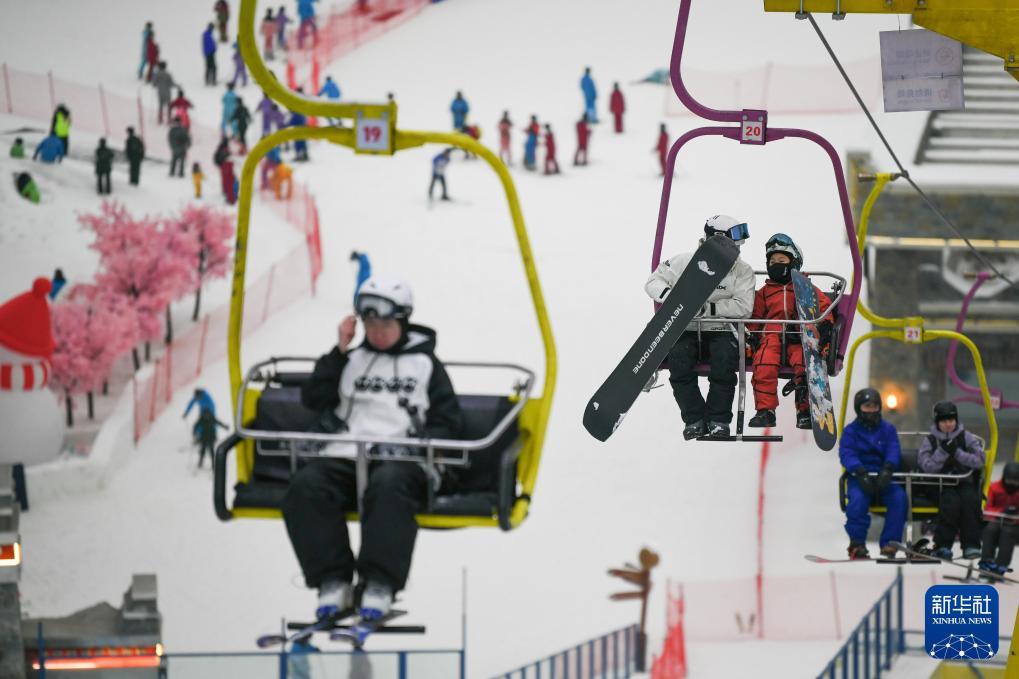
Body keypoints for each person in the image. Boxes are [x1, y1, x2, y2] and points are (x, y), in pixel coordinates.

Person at [282, 275, 463, 628]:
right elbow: (314, 399)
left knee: (389, 487)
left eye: (386, 324)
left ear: (403, 322)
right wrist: (339, 350)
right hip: (347, 452)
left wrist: (424, 443)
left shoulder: (425, 365)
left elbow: (448, 420)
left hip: (401, 457)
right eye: (370, 323)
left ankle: (380, 583)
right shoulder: (351, 360)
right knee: (306, 486)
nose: (378, 332)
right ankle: (332, 580)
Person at [645, 216, 755, 438]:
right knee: (679, 361)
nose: (738, 249)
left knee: (724, 362)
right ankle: (694, 418)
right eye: (734, 243)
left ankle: (718, 420)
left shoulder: (742, 271)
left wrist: (707, 309)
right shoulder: (685, 262)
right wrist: (670, 297)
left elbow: (744, 307)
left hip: (721, 329)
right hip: (686, 329)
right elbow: (653, 281)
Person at [747, 234, 832, 429]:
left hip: (798, 338)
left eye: (782, 260)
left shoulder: (805, 288)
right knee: (763, 364)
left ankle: (804, 411)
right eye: (772, 261)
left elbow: (823, 307)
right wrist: (750, 336)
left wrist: (824, 326)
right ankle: (765, 411)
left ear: (794, 262)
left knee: (805, 364)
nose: (776, 264)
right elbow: (755, 317)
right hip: (771, 337)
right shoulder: (764, 292)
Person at [839, 388, 906, 559]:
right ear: (859, 408)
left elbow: (893, 449)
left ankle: (890, 543)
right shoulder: (851, 431)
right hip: (860, 476)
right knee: (857, 500)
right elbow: (847, 452)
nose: (871, 411)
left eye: (874, 406)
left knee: (899, 497)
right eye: (867, 406)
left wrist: (888, 468)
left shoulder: (887, 429)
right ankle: (857, 542)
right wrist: (859, 471)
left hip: (883, 475)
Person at [917, 400, 985, 560]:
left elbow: (980, 460)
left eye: (951, 420)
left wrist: (957, 453)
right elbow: (926, 466)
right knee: (950, 503)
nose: (948, 424)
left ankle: (971, 544)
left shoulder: (965, 437)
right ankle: (943, 545)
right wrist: (942, 452)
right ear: (937, 422)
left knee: (970, 500)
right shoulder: (931, 440)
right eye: (943, 421)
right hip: (940, 484)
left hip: (962, 480)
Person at [980, 462, 1019, 576]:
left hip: (1015, 524)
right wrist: (1001, 511)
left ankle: (1001, 565)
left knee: (1008, 533)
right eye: (1009, 481)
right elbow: (988, 509)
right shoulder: (995, 487)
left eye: (1015, 481)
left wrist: (1015, 514)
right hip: (997, 520)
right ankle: (987, 561)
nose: (1012, 484)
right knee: (990, 530)